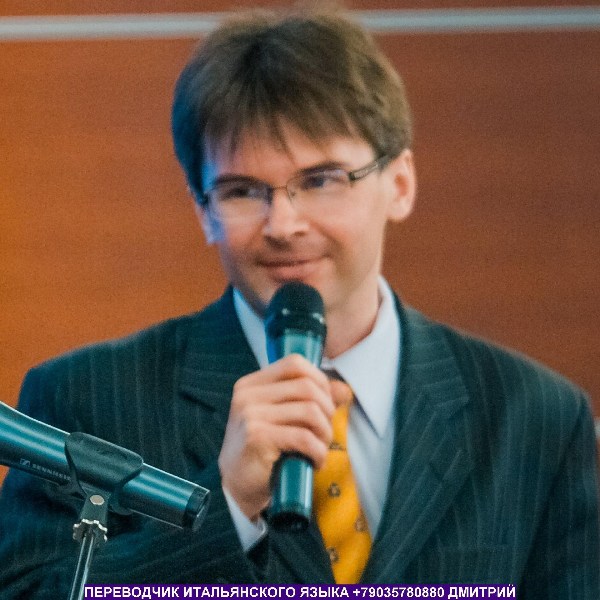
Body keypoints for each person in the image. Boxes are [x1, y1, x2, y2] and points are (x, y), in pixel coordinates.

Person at [0, 7, 598, 598]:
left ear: (400, 184)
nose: (283, 225)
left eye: (320, 181)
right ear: (202, 209)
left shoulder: (534, 418)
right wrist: (228, 503)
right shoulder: (84, 401)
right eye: (242, 191)